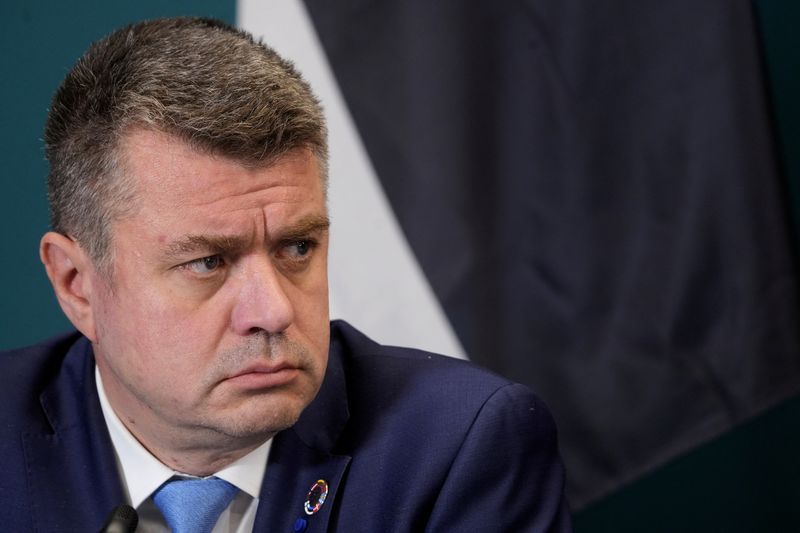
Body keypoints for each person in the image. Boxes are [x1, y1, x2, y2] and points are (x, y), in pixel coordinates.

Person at [0, 17, 570, 532]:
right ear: (77, 285)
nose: (273, 310)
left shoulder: (457, 448)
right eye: (207, 262)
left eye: (297, 247)